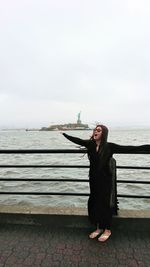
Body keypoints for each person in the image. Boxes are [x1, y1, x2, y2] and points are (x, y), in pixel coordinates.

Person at [62, 125, 150, 242]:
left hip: (106, 180)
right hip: (93, 179)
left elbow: (130, 148)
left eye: (98, 130)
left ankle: (107, 229)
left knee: (105, 204)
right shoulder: (90, 145)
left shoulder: (109, 147)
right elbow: (77, 140)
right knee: (95, 202)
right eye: (95, 130)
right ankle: (98, 228)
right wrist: (64, 134)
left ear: (103, 134)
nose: (95, 132)